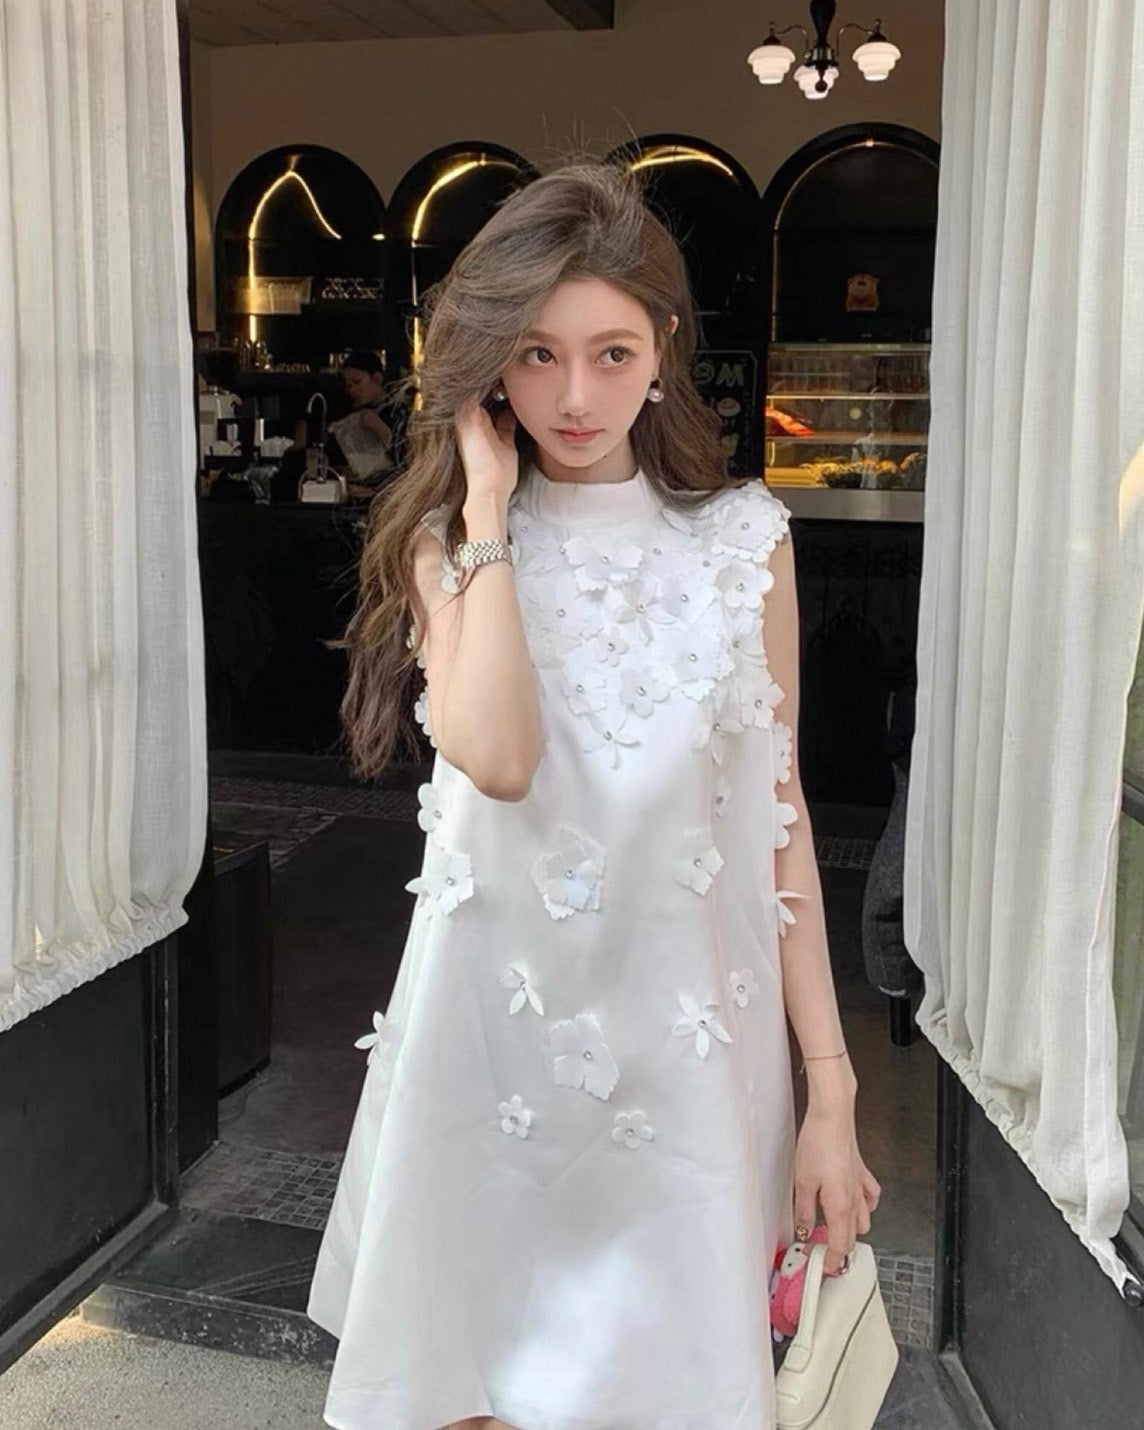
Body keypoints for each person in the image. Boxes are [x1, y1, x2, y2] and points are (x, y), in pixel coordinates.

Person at [307, 162, 880, 1430]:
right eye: (535, 354)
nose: (574, 397)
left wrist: (830, 1089)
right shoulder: (451, 545)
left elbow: (779, 820)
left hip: (688, 1063)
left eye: (611, 353)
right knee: (472, 1391)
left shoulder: (744, 541)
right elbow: (499, 755)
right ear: (487, 369)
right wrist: (489, 509)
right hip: (493, 1054)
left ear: (664, 348)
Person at [333, 348, 408, 498]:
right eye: (349, 385)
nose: (353, 390)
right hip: (358, 494)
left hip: (393, 496)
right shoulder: (353, 417)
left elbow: (405, 461)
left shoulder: (398, 413)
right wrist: (347, 471)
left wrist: (377, 426)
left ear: (376, 378)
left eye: (357, 382)